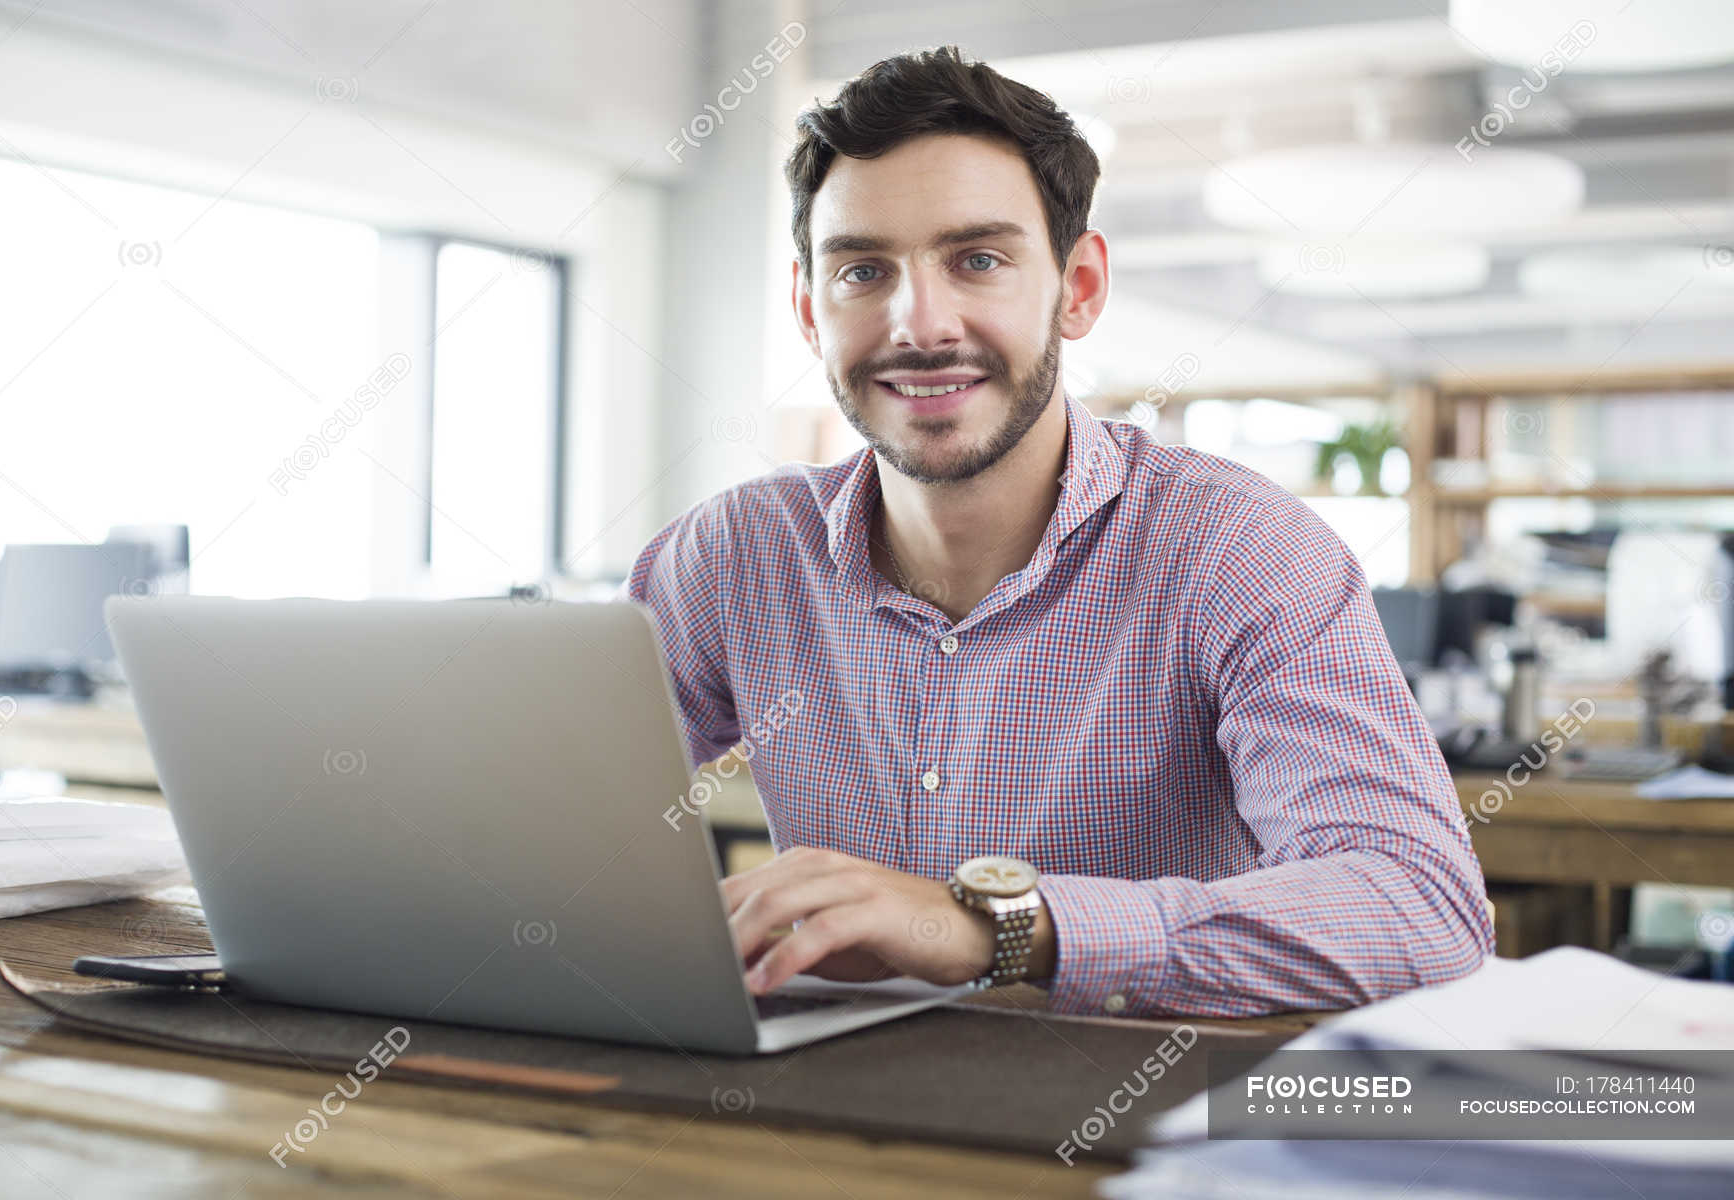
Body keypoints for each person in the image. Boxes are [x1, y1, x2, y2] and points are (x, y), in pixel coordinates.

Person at [622, 45, 1493, 1018]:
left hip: (1146, 1120)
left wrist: (999, 928)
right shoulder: (728, 558)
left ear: (1077, 288)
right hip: (812, 1106)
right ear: (807, 308)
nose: (920, 322)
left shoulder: (1242, 550)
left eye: (978, 260)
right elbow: (579, 847)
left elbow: (1421, 907)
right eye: (863, 270)